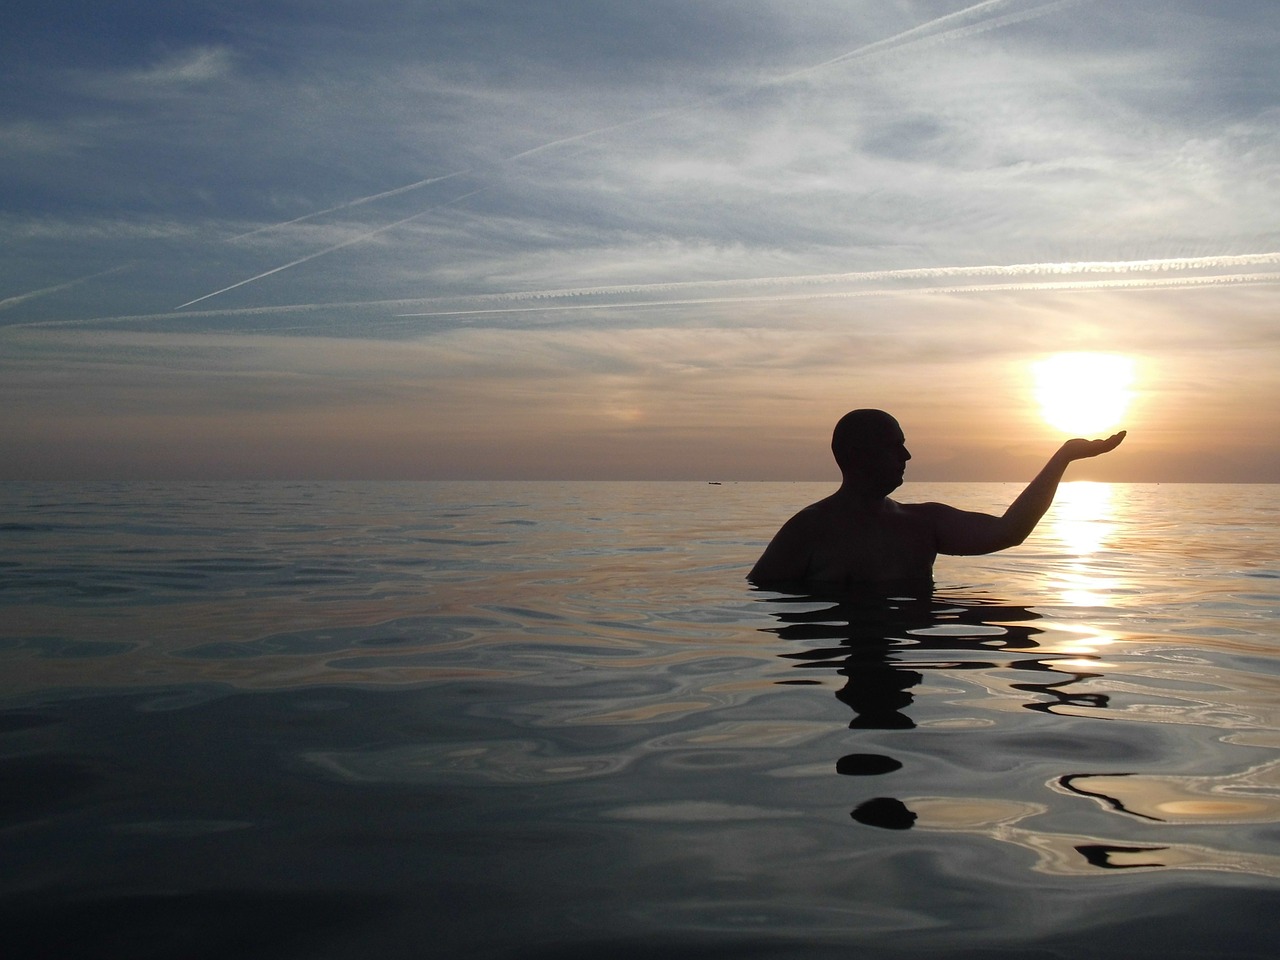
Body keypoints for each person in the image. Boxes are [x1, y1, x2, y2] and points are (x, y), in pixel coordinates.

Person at [748, 409, 1125, 587]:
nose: (907, 457)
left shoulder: (922, 523)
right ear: (856, 454)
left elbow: (1009, 531)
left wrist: (1064, 457)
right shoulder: (809, 529)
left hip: (916, 643)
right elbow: (765, 600)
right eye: (894, 447)